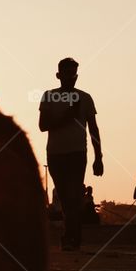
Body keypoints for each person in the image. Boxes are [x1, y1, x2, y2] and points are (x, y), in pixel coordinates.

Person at [39, 57, 103, 252]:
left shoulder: (85, 98)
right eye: (67, 74)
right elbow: (43, 126)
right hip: (56, 154)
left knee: (74, 196)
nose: (71, 78)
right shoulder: (48, 96)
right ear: (59, 75)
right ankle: (72, 236)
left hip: (77, 153)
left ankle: (72, 237)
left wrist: (98, 157)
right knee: (66, 198)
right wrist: (66, 117)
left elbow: (94, 129)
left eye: (74, 74)